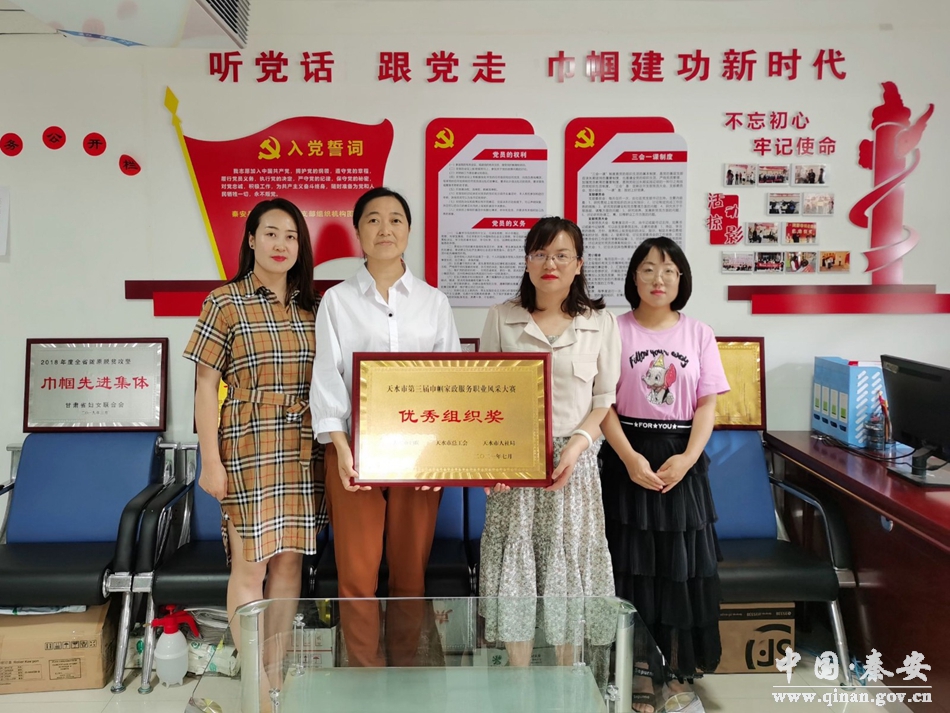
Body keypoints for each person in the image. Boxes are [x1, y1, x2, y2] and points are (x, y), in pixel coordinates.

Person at [310, 186, 460, 667]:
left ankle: (405, 672)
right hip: (353, 449)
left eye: (396, 219)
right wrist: (341, 447)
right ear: (358, 232)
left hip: (420, 454)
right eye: (373, 219)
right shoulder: (336, 301)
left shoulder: (434, 302)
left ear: (409, 231)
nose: (385, 229)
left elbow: (450, 381)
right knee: (356, 576)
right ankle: (365, 679)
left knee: (410, 574)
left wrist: (442, 454)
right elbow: (327, 375)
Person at [478, 216, 620, 670]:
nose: (550, 264)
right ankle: (518, 683)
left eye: (561, 255)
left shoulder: (600, 322)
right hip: (517, 462)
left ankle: (567, 680)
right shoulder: (502, 317)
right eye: (540, 254)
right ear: (527, 261)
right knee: (516, 570)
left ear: (579, 264)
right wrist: (493, 464)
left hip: (574, 466)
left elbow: (603, 400)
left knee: (568, 571)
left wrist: (577, 446)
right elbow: (485, 396)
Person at [184, 197, 325, 650]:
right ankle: (255, 683)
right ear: (250, 240)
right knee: (250, 567)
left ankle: (275, 671)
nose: (281, 244)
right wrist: (210, 462)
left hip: (303, 447)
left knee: (289, 564)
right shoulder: (225, 302)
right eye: (271, 234)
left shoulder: (315, 306)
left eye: (291, 236)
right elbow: (205, 386)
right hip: (248, 443)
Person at [599, 237, 730, 713]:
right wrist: (630, 458)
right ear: (634, 276)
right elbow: (602, 403)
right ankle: (634, 671)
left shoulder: (699, 333)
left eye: (669, 270)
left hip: (681, 462)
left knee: (679, 568)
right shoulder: (613, 329)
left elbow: (707, 404)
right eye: (649, 269)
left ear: (681, 280)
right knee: (629, 568)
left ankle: (674, 672)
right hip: (627, 458)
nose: (659, 278)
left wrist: (690, 457)